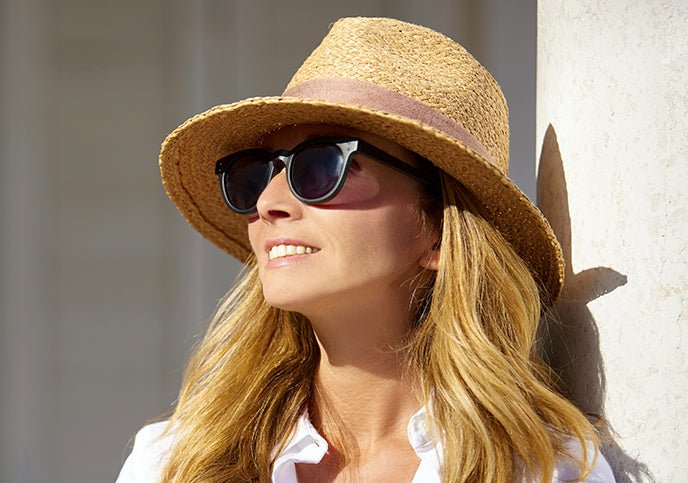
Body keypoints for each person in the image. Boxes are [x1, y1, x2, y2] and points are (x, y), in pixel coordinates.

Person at [117, 17, 615, 482]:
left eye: (319, 167)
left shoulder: (545, 470)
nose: (269, 203)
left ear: (438, 230)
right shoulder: (173, 463)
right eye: (256, 174)